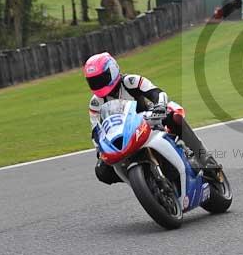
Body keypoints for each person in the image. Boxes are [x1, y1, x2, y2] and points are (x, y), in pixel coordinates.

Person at [84, 52, 222, 185]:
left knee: (174, 116)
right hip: (123, 137)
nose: (98, 84)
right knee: (102, 171)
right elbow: (96, 131)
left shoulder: (131, 82)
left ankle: (204, 158)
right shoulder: (95, 103)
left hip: (149, 121)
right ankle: (143, 180)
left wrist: (160, 106)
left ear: (112, 71)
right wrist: (100, 149)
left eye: (101, 79)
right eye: (93, 81)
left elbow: (157, 93)